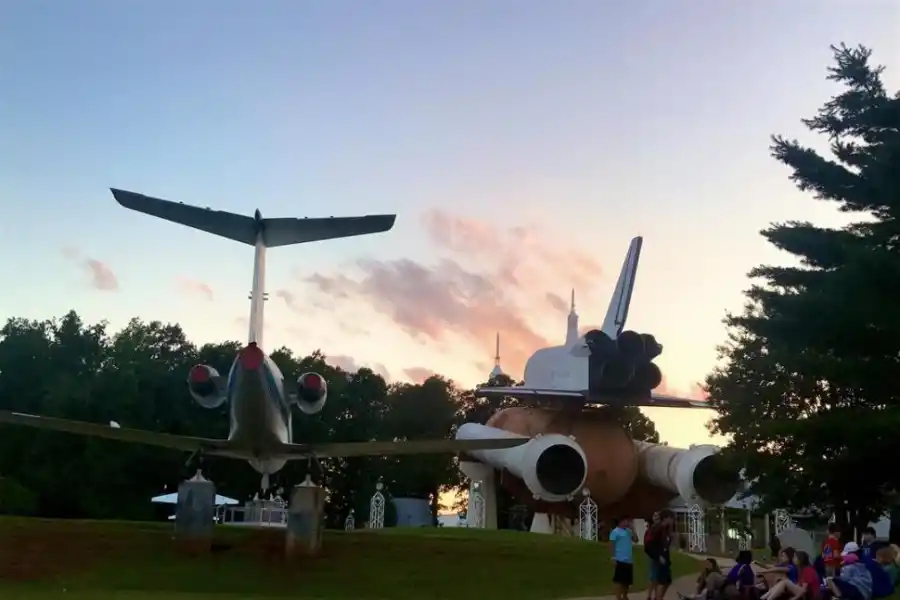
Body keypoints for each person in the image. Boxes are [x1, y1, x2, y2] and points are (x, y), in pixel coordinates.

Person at [646, 509, 675, 600]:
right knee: (661, 581)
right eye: (671, 519)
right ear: (666, 518)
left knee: (667, 581)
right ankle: (657, 597)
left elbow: (665, 544)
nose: (672, 521)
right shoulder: (658, 528)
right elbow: (650, 545)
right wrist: (658, 556)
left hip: (665, 558)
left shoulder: (666, 530)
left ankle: (659, 597)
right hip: (659, 558)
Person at [610, 516, 636, 600]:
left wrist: (633, 530)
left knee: (627, 581)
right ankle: (618, 597)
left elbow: (635, 539)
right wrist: (613, 557)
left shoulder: (628, 531)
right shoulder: (615, 532)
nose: (627, 523)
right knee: (619, 580)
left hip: (629, 560)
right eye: (625, 521)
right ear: (621, 522)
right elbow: (612, 545)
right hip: (619, 559)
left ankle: (625, 595)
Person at [646, 512, 661, 600]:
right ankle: (650, 595)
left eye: (658, 516)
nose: (656, 518)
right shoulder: (651, 529)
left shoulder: (662, 528)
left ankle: (656, 595)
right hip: (652, 554)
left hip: (660, 554)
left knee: (657, 576)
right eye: (655, 516)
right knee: (652, 576)